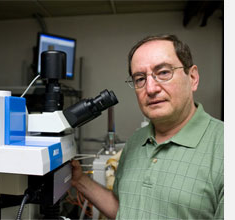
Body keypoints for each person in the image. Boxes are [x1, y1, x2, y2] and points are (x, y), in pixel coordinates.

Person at [71, 34, 224, 219]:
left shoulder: (223, 146)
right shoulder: (136, 140)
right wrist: (79, 179)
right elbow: (125, 210)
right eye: (140, 78)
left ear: (192, 78)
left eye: (164, 73)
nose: (150, 89)